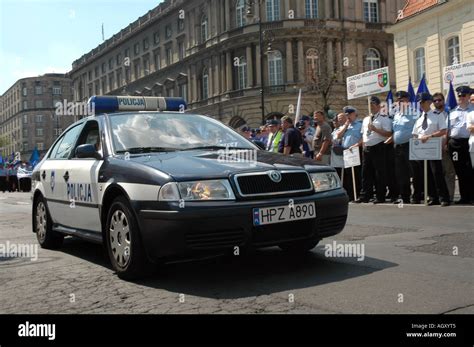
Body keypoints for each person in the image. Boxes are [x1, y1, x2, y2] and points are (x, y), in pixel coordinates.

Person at [412, 92, 450, 206]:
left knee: (436, 173)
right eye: (419, 103)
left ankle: (444, 198)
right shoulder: (419, 118)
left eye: (422, 102)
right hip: (422, 149)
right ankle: (433, 197)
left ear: (429, 102)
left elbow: (443, 130)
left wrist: (430, 136)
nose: (421, 104)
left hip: (433, 147)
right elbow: (415, 134)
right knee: (426, 174)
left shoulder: (437, 115)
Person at [355, 96, 393, 203]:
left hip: (378, 147)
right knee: (365, 173)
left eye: (373, 104)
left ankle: (380, 195)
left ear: (378, 105)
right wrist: (363, 145)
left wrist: (376, 129)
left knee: (379, 173)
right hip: (367, 148)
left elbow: (389, 133)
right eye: (369, 104)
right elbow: (364, 134)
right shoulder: (366, 119)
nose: (371, 107)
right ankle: (366, 195)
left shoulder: (384, 118)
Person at [385, 91, 417, 204]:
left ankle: (417, 196)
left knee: (414, 172)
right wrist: (391, 139)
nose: (399, 102)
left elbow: (417, 130)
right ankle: (405, 197)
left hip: (410, 145)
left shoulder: (414, 113)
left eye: (401, 100)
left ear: (407, 101)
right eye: (398, 101)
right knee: (401, 173)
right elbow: (396, 131)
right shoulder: (397, 114)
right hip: (397, 147)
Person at [447, 86, 474, 204]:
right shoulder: (452, 112)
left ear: (469, 96)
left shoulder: (473, 110)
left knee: (470, 169)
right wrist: (445, 143)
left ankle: (472, 197)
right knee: (459, 170)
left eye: (464, 95)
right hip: (454, 144)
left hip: (468, 143)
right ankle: (464, 197)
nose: (461, 98)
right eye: (459, 96)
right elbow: (447, 129)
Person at [432, 92, 456, 202]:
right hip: (434, 148)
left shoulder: (450, 113)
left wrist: (446, 144)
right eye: (435, 100)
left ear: (443, 101)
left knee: (449, 172)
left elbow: (449, 130)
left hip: (446, 147)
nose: (437, 102)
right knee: (437, 173)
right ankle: (440, 196)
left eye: (439, 100)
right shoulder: (431, 115)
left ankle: (450, 196)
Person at [336, 107, 363, 201]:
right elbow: (338, 136)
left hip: (356, 150)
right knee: (348, 174)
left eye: (349, 114)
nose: (348, 117)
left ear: (355, 114)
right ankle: (351, 194)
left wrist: (356, 145)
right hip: (347, 151)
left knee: (356, 173)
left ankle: (358, 194)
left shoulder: (360, 125)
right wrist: (345, 126)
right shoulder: (346, 125)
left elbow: (363, 138)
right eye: (346, 115)